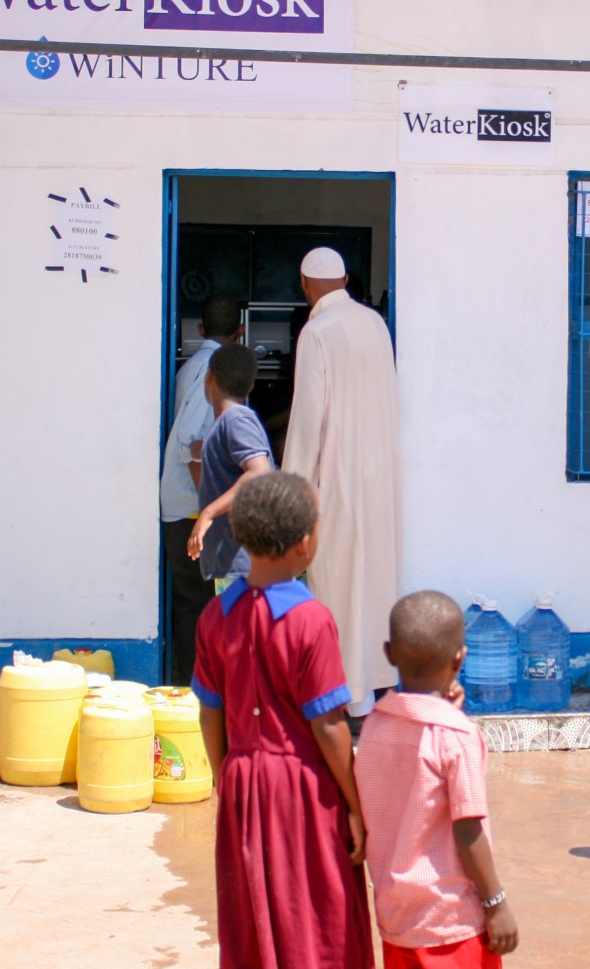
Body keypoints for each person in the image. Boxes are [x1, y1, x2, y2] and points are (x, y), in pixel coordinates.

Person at [193, 470, 372, 969]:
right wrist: (357, 806)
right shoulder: (312, 620)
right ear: (305, 541)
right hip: (304, 787)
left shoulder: (215, 616)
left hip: (243, 781)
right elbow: (329, 724)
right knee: (319, 912)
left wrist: (225, 775)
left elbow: (210, 710)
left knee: (253, 913)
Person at [356, 591, 520, 968]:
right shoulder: (457, 736)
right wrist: (496, 903)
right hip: (454, 924)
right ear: (460, 659)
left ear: (389, 654)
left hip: (397, 920)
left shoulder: (373, 727)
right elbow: (468, 831)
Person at [283, 246, 401, 718]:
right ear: (347, 278)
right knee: (371, 584)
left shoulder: (316, 332)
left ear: (305, 283)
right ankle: (369, 693)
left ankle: (343, 698)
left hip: (335, 480)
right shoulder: (375, 324)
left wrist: (291, 491)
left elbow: (308, 421)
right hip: (379, 480)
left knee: (335, 586)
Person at [161, 297, 242, 687]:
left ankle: (192, 688)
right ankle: (198, 690)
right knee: (201, 604)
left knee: (193, 602)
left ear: (200, 330)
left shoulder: (190, 366)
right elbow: (191, 445)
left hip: (186, 507)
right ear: (240, 331)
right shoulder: (213, 372)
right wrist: (209, 510)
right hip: (193, 511)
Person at [186, 343, 273, 618]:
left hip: (243, 566)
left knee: (243, 650)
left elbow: (259, 471)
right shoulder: (228, 423)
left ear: (208, 377)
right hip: (235, 565)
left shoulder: (235, 420)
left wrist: (208, 513)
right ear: (250, 386)